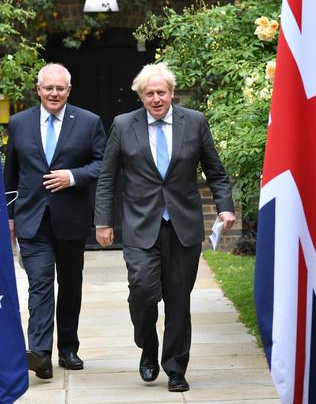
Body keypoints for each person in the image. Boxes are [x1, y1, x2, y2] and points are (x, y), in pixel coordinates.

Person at [94, 62, 235, 392]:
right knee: (142, 290)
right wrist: (103, 221)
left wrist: (225, 208)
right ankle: (148, 346)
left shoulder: (194, 122)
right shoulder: (123, 125)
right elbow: (106, 176)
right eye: (149, 93)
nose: (156, 98)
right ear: (140, 96)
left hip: (183, 226)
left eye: (161, 92)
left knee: (178, 300)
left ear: (171, 93)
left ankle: (175, 367)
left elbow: (215, 171)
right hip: (141, 225)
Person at [4, 63, 106, 380]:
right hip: (31, 219)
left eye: (60, 88)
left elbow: (103, 165)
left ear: (68, 91)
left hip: (71, 219)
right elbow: (11, 173)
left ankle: (68, 348)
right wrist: (8, 217)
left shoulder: (89, 122)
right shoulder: (19, 124)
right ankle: (41, 354)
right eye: (48, 88)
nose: (54, 93)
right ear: (38, 89)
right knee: (40, 285)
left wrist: (73, 176)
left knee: (70, 285)